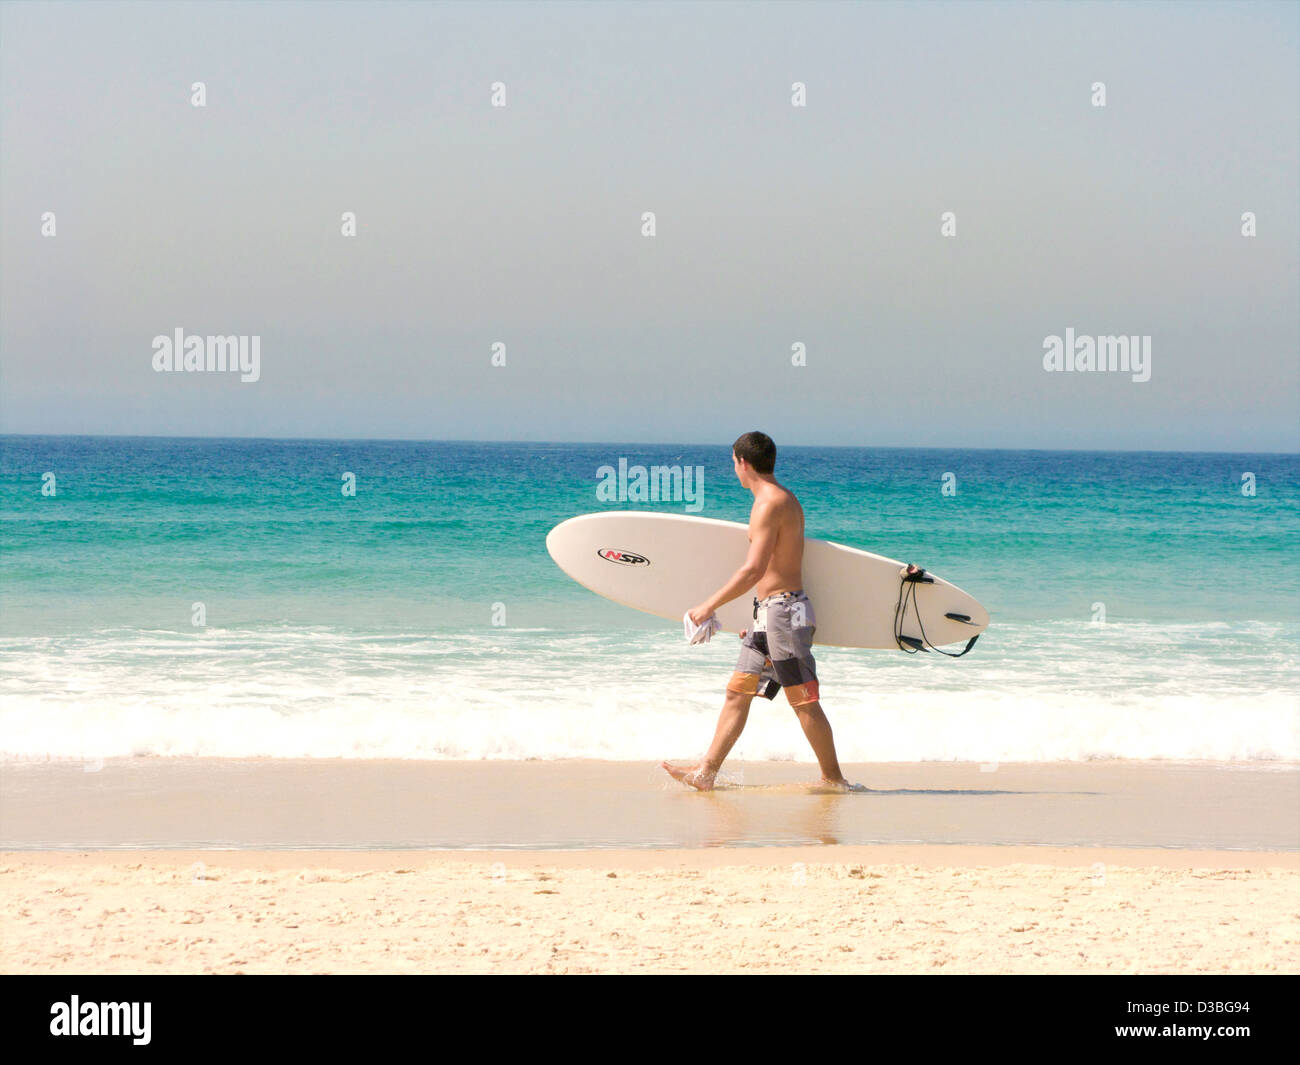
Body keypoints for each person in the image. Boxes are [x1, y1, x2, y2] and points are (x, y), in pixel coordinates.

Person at [662, 431, 855, 791]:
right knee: (738, 691)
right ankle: (706, 773)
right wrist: (753, 620)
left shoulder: (770, 503)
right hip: (769, 614)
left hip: (785, 615)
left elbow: (753, 569)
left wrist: (708, 606)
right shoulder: (777, 499)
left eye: (733, 463)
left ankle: (834, 780)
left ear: (742, 462)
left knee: (803, 700)